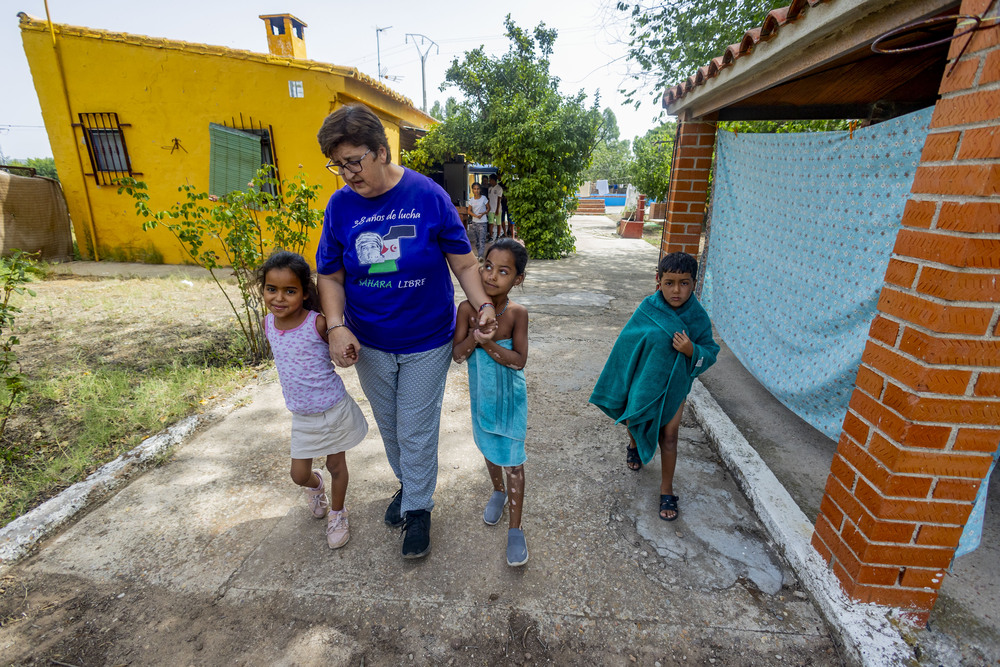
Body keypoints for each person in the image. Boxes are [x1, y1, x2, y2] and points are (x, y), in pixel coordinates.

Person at [315, 104, 497, 560]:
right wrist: (336, 327)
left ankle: (419, 509)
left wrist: (483, 304)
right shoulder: (339, 207)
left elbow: (463, 262)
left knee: (415, 428)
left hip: (426, 340)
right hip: (369, 341)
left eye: (353, 161)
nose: (346, 174)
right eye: (338, 165)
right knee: (391, 427)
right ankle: (410, 485)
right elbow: (331, 275)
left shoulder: (427, 195)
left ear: (382, 151)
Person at [589, 252, 718, 522]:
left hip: (675, 387)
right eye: (669, 282)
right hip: (643, 382)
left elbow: (711, 351)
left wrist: (691, 350)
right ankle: (633, 444)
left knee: (670, 437)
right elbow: (627, 344)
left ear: (694, 283)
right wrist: (621, 379)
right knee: (635, 419)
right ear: (658, 280)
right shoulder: (648, 308)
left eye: (684, 283)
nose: (676, 290)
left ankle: (666, 490)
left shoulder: (697, 316)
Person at [257, 250, 370, 549]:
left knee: (337, 466)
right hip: (303, 417)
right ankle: (316, 486)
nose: (279, 298)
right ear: (263, 289)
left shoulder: (318, 323)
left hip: (333, 409)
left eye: (289, 291)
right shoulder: (268, 324)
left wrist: (347, 352)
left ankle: (338, 512)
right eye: (272, 289)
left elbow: (340, 347)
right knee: (299, 475)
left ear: (304, 292)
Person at [452, 239, 530, 566]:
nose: (492, 276)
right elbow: (457, 355)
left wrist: (489, 345)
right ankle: (497, 492)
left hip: (511, 401)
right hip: (482, 398)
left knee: (513, 461)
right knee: (488, 448)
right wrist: (475, 338)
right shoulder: (467, 310)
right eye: (487, 266)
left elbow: (519, 360)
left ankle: (515, 529)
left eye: (503, 271)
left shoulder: (516, 314)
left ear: (518, 279)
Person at [467, 182, 489, 260]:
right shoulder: (471, 200)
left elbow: (488, 208)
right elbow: (468, 211)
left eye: (478, 189)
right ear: (472, 190)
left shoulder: (484, 198)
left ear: (480, 189)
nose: (476, 190)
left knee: (482, 240)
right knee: (477, 241)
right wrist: (475, 216)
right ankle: (479, 253)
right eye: (475, 189)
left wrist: (483, 213)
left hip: (483, 222)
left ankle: (480, 256)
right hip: (475, 222)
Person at [487, 174, 504, 241]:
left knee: (498, 223)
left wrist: (497, 209)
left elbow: (499, 199)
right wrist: (488, 208)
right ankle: (491, 237)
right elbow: (489, 199)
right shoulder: (490, 188)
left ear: (493, 180)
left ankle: (498, 236)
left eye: (490, 180)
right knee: (490, 223)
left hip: (498, 209)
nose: (489, 181)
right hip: (491, 209)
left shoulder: (499, 188)